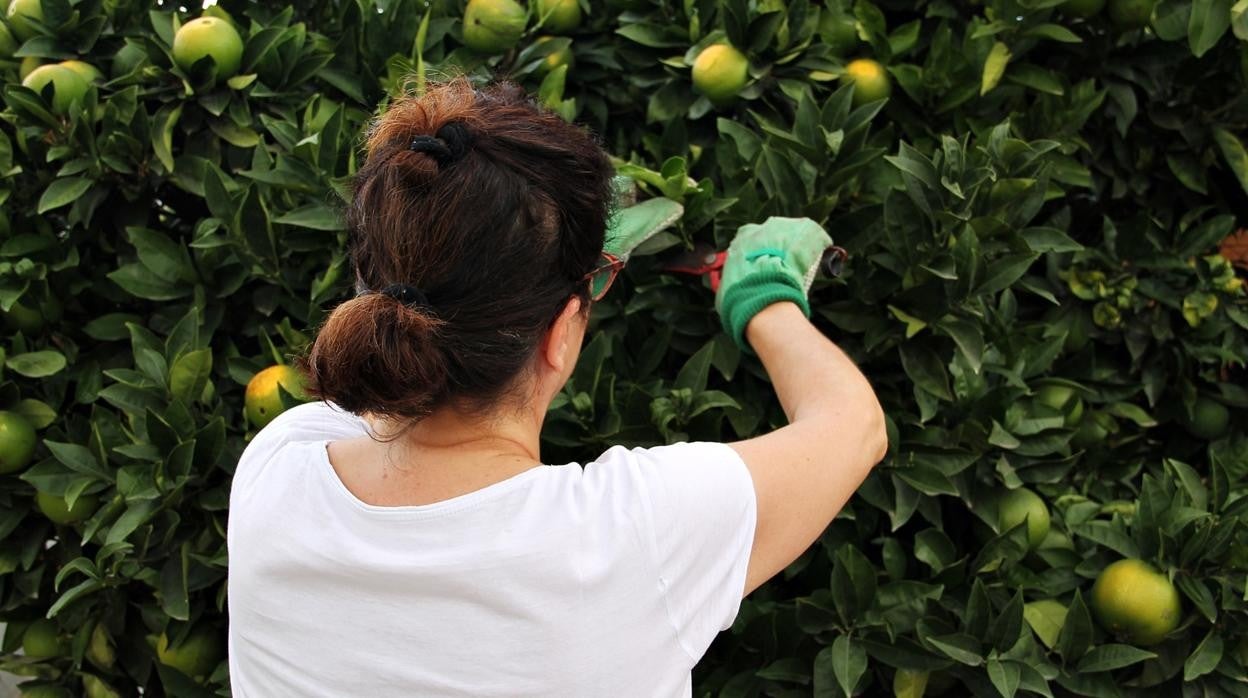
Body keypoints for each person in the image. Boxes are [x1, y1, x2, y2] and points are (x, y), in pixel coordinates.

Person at [226, 78, 887, 697]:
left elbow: (385, 362)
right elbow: (853, 426)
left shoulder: (279, 470)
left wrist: (530, 253)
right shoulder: (627, 539)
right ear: (562, 330)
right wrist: (763, 291)